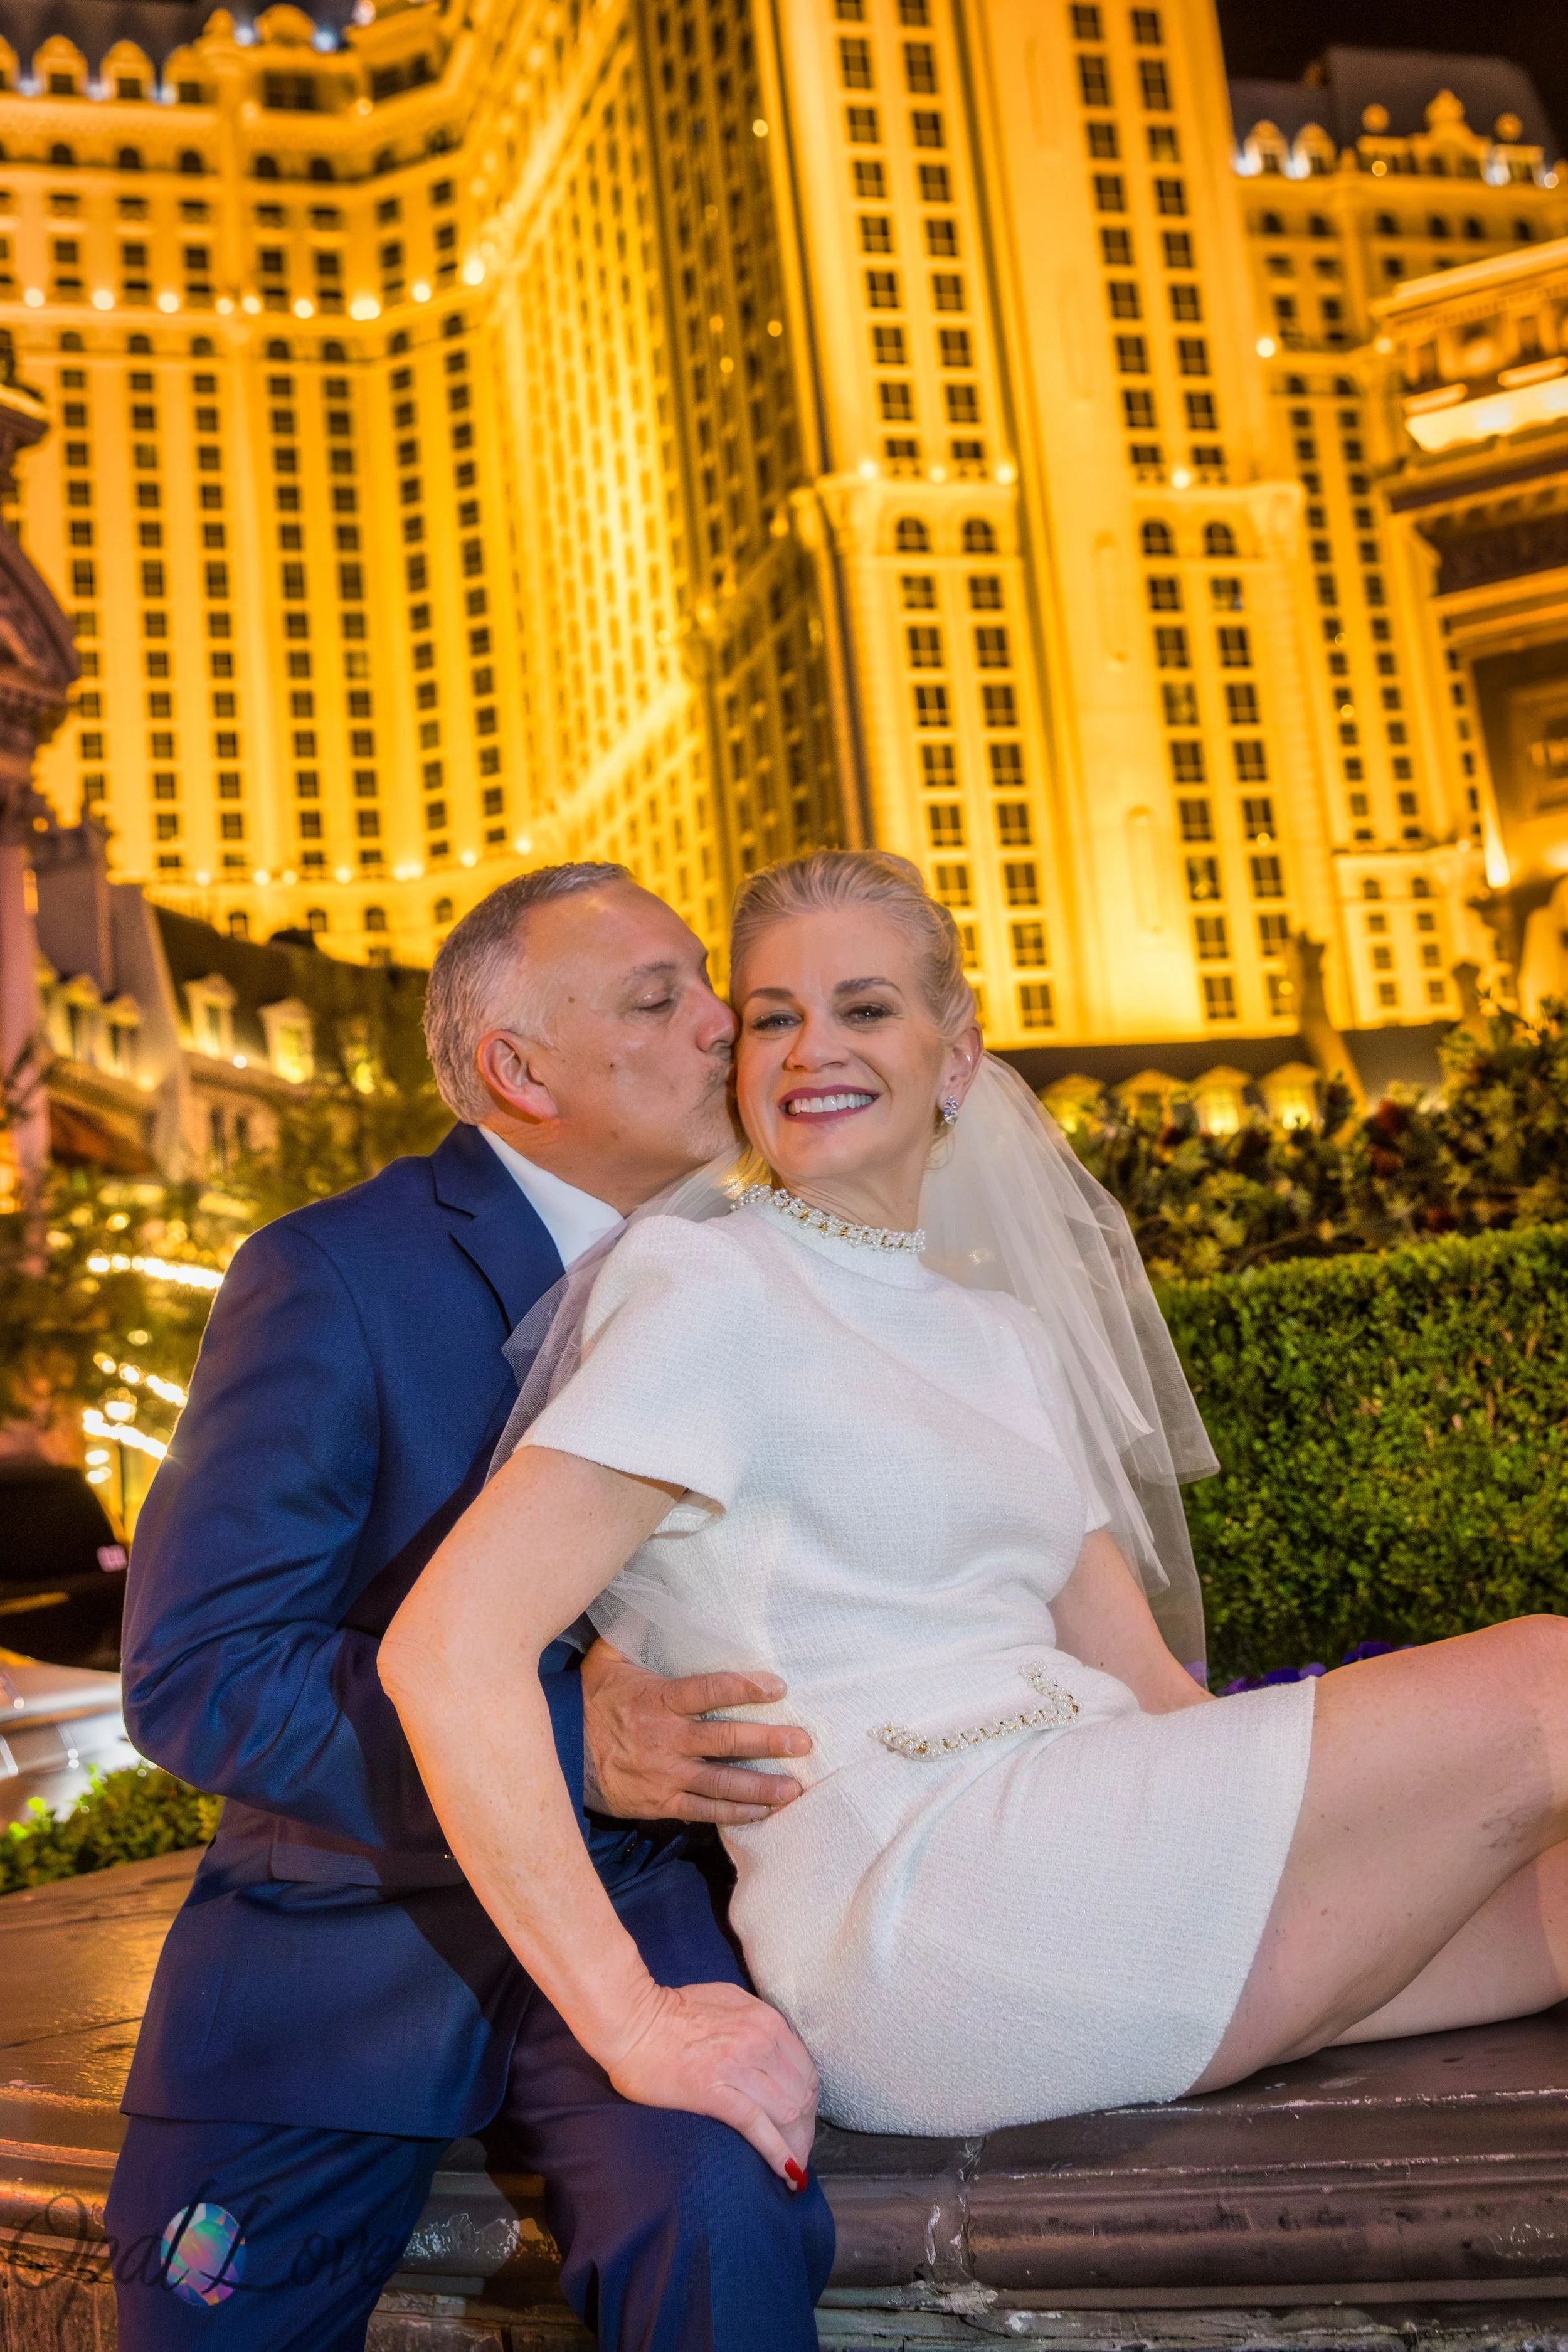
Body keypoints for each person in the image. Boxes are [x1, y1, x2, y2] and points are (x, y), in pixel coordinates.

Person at [382, 847, 1568, 2178]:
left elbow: (1146, 1693)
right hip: (921, 1902)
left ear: (954, 1058)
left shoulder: (1002, 1335)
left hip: (1097, 1853)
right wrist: (631, 2021)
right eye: (772, 1015)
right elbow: (445, 1651)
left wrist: (1301, 1797)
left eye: (865, 1008)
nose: (808, 1047)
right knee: (1547, 1680)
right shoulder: (707, 1285)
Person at [109, 865, 833, 2350]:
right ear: (516, 1067)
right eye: (660, 998)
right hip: (353, 1944)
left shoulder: (768, 1275)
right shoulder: (329, 1274)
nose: (724, 1023)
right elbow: (197, 1670)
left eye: (710, 987)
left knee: (729, 2208)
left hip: (650, 1919)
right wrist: (569, 1737)